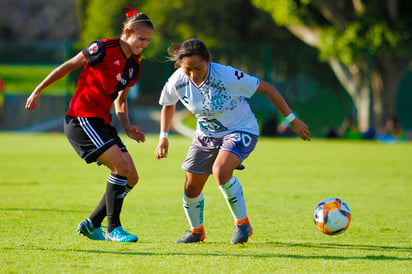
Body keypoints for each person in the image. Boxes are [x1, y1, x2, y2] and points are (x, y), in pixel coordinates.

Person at [155, 39, 311, 244]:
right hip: (206, 135)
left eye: (198, 68)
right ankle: (196, 231)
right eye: (187, 70)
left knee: (221, 171)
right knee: (191, 188)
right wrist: (163, 137)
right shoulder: (178, 80)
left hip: (241, 129)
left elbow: (269, 88)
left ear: (209, 60)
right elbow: (168, 104)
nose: (193, 75)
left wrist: (292, 120)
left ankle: (242, 224)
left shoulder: (228, 76)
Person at [25, 7, 153, 242]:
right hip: (81, 118)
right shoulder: (103, 48)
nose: (144, 44)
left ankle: (92, 223)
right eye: (141, 38)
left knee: (131, 177)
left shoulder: (134, 66)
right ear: (127, 32)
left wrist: (128, 126)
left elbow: (121, 101)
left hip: (102, 122)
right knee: (121, 169)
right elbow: (67, 66)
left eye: (148, 40)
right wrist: (38, 90)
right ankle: (113, 228)